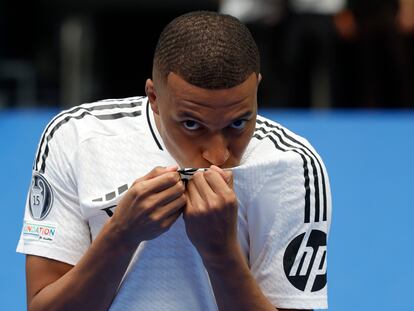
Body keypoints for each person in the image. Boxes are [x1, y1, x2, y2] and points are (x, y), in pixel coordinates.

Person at [17, 11, 331, 311]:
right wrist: (121, 234)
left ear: (257, 90)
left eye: (238, 123)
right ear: (153, 98)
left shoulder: (294, 167)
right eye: (192, 124)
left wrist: (220, 253)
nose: (217, 155)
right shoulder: (76, 138)